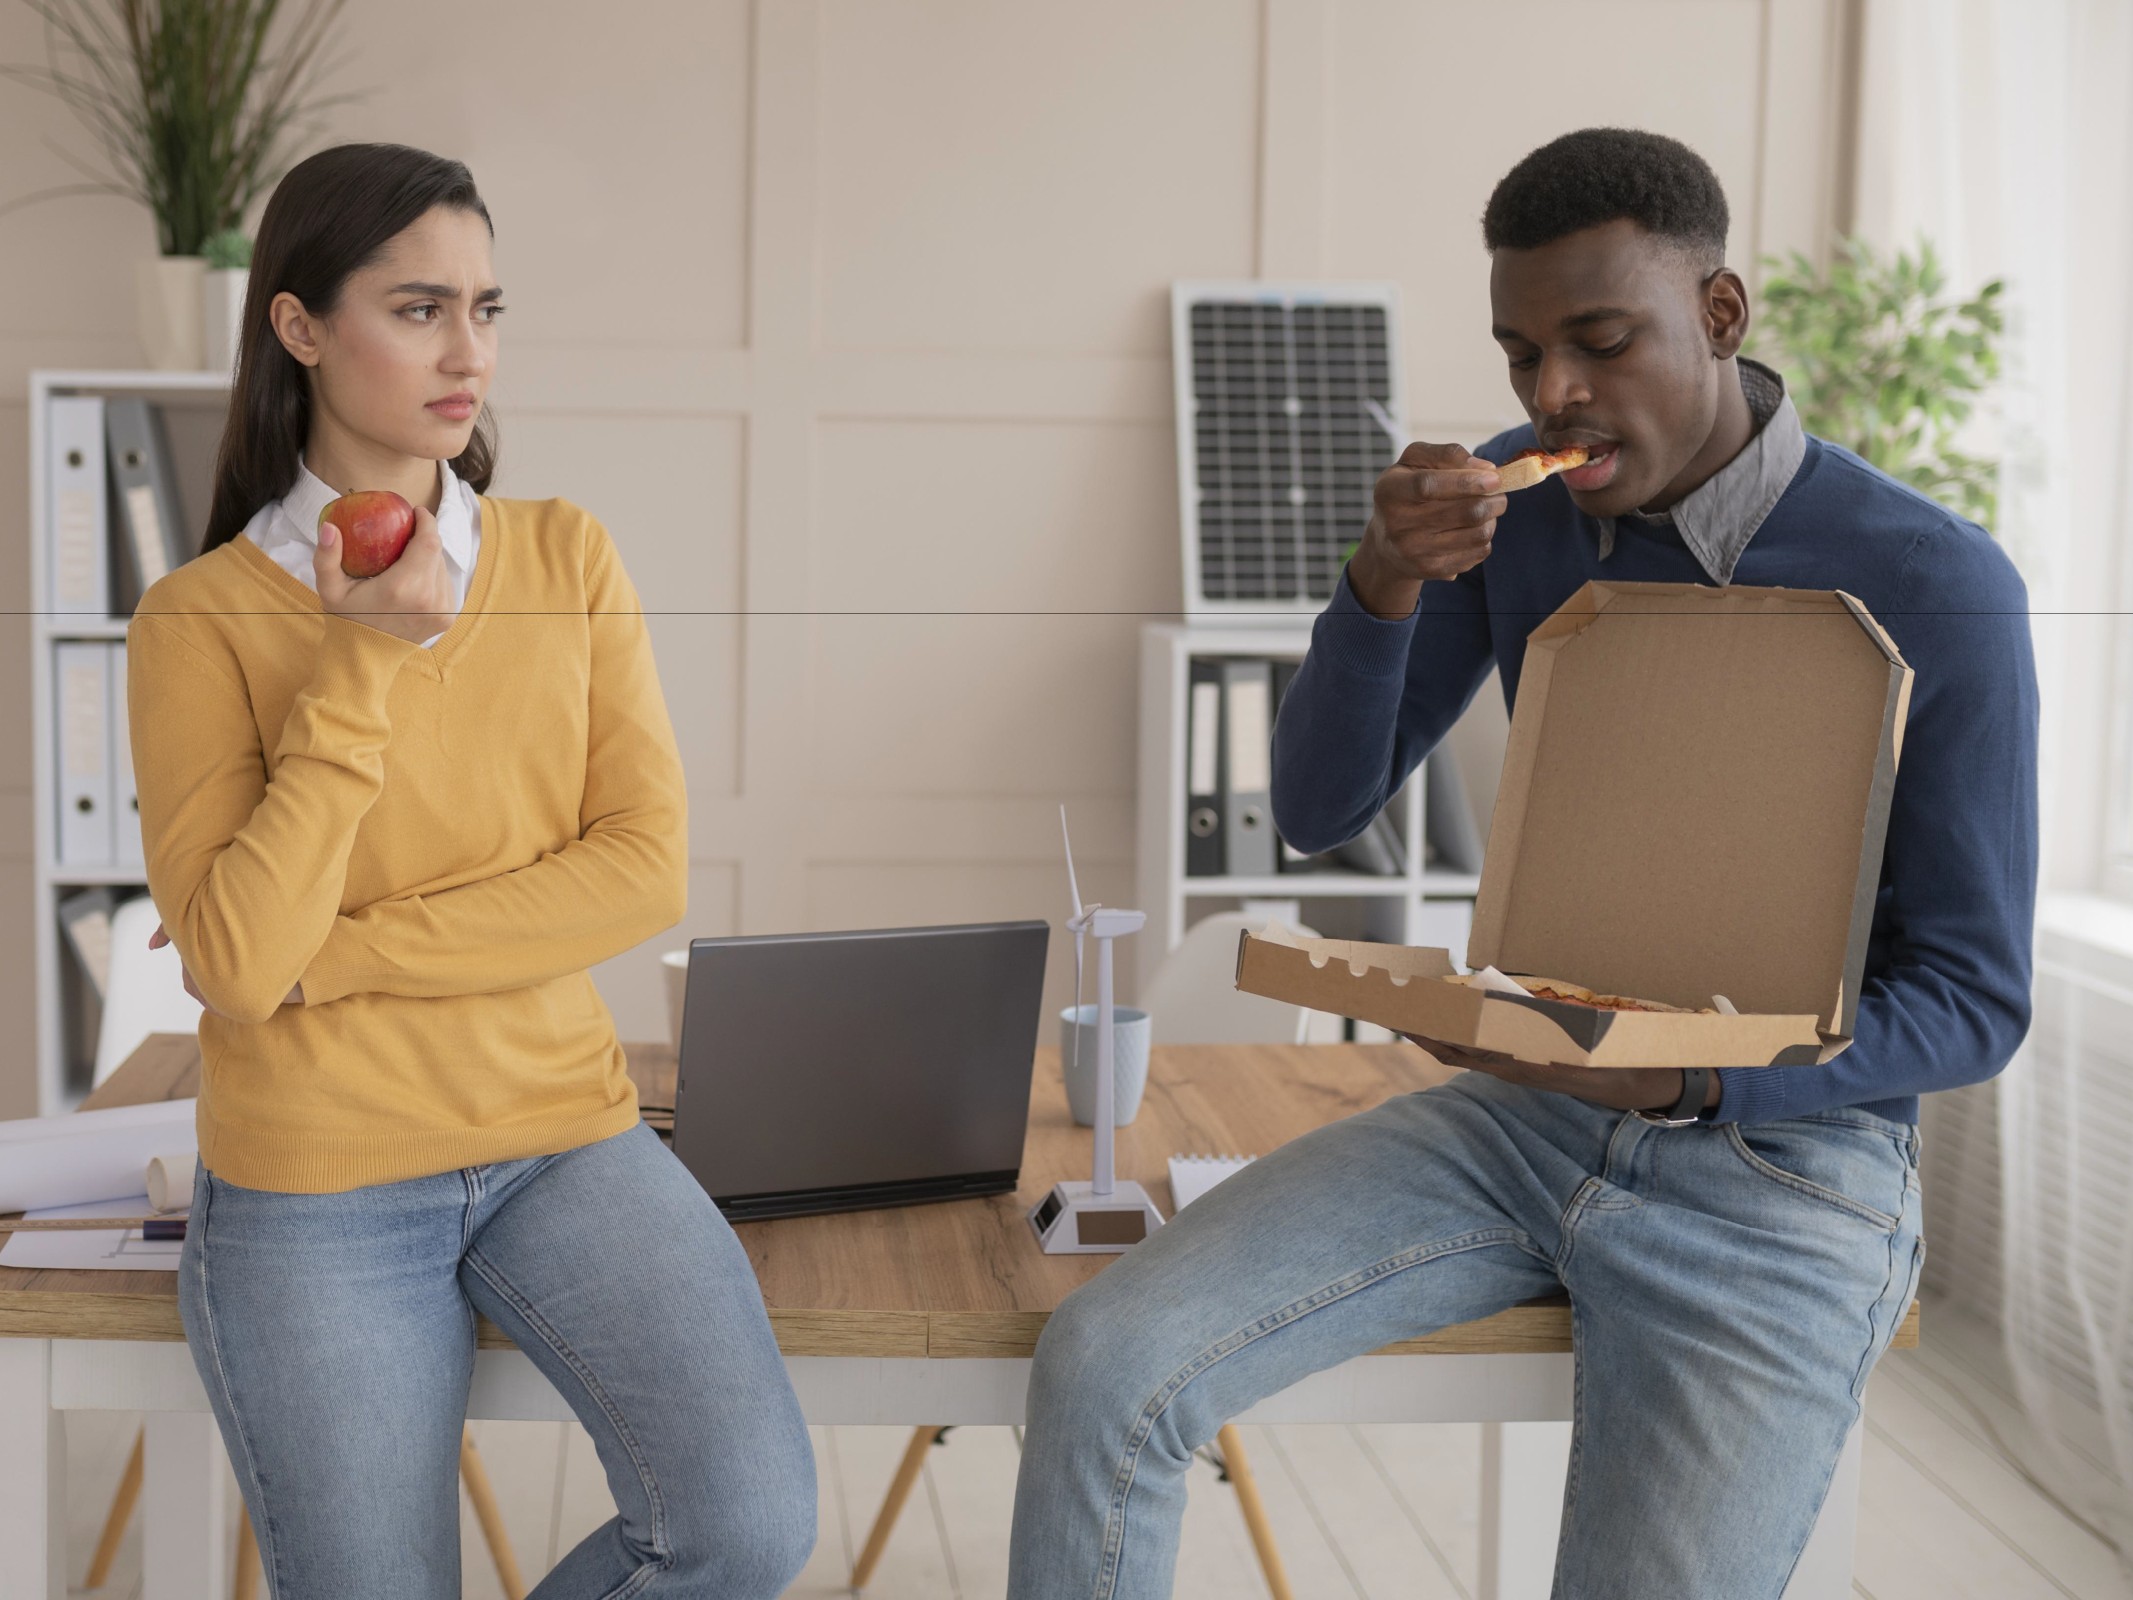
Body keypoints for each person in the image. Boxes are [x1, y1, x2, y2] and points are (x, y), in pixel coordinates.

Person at [1008, 127, 2037, 1598]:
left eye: (1598, 343)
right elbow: (1313, 804)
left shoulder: (1937, 583)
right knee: (1105, 1364)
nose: (1552, 394)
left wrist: (1689, 1075)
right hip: (1521, 1117)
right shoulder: (1515, 508)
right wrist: (1379, 580)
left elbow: (1973, 1002)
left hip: (1781, 1179)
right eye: (1519, 354)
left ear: (1721, 316)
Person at [129, 143, 814, 1599]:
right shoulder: (199, 620)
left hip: (566, 1139)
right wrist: (365, 664)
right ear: (302, 329)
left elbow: (641, 874)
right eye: (421, 308)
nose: (467, 354)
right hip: (315, 1184)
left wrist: (342, 956)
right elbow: (240, 964)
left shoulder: (565, 558)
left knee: (743, 1525)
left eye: (486, 311)